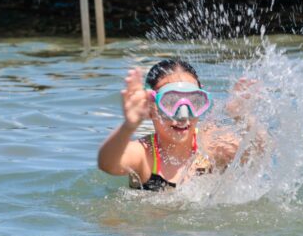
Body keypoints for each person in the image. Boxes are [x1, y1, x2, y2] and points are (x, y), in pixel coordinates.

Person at [97, 58, 259, 190]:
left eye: (194, 102)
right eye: (170, 102)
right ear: (151, 107)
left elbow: (259, 153)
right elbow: (107, 164)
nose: (183, 116)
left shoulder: (211, 143)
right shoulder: (144, 154)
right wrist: (129, 126)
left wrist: (243, 116)